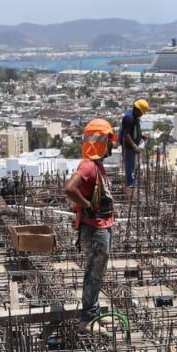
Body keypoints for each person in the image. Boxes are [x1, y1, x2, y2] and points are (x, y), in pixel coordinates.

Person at [63, 118, 118, 321]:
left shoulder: (96, 165)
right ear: (101, 142)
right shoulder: (88, 165)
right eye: (108, 141)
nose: (112, 145)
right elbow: (69, 189)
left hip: (100, 227)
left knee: (97, 271)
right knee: (94, 272)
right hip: (95, 229)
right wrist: (87, 206)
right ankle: (88, 318)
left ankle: (92, 310)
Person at [120, 99, 148, 188]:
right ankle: (130, 184)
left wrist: (141, 136)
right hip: (128, 146)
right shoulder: (129, 118)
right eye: (141, 112)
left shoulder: (135, 117)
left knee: (132, 165)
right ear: (137, 109)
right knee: (130, 165)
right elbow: (126, 134)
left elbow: (133, 131)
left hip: (132, 146)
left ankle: (132, 182)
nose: (142, 114)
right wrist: (133, 145)